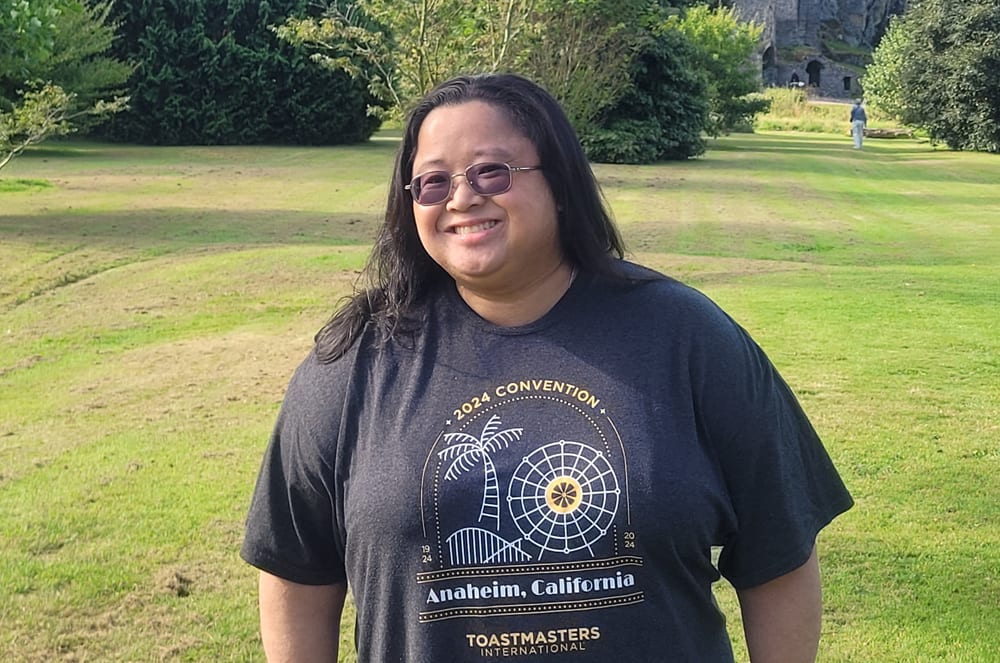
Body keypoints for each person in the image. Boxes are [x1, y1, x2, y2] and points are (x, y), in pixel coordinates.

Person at [241, 73, 853, 662]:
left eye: (492, 171)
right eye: (431, 183)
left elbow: (780, 555)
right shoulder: (353, 362)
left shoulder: (689, 337)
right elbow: (296, 573)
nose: (461, 196)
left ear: (559, 182)